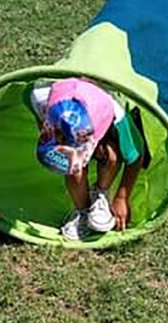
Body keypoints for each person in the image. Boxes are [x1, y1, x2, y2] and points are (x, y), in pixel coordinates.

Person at [31, 78, 144, 241]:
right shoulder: (39, 95)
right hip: (70, 101)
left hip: (102, 116)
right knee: (72, 167)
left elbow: (137, 155)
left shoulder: (118, 117)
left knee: (111, 154)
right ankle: (82, 209)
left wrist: (122, 198)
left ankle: (100, 193)